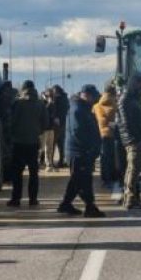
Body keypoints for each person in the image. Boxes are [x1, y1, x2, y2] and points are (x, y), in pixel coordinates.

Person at [58, 84, 106, 217]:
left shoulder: (82, 108)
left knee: (78, 180)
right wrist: (89, 148)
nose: (95, 99)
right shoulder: (78, 110)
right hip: (79, 151)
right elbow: (78, 132)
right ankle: (90, 207)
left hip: (80, 151)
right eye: (93, 96)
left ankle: (66, 204)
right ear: (86, 95)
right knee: (83, 181)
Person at [8, 79, 48, 207]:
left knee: (17, 173)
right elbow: (45, 123)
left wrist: (13, 134)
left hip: (18, 143)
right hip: (33, 142)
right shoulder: (40, 104)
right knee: (33, 173)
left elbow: (12, 122)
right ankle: (33, 199)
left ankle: (16, 199)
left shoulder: (17, 103)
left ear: (23, 90)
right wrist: (36, 131)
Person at [116, 72, 141, 209]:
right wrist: (136, 137)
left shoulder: (132, 98)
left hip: (134, 138)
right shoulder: (126, 99)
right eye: (140, 83)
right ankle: (129, 198)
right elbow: (126, 122)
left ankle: (131, 197)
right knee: (133, 170)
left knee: (133, 169)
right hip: (132, 140)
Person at [94, 82, 120, 192]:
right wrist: (114, 125)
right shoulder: (116, 104)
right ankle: (113, 176)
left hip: (102, 134)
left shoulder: (97, 106)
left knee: (104, 158)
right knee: (114, 157)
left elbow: (100, 121)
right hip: (114, 133)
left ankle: (106, 179)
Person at [51, 84, 70, 168]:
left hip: (56, 125)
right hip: (64, 123)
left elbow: (54, 110)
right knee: (61, 144)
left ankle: (51, 162)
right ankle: (61, 161)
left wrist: (55, 117)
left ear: (56, 91)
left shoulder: (56, 99)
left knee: (53, 144)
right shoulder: (66, 98)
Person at [40, 87, 58, 169]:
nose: (51, 96)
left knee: (50, 147)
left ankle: (49, 163)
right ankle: (39, 162)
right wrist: (49, 103)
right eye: (49, 94)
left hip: (51, 127)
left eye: (52, 94)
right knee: (41, 147)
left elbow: (53, 113)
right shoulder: (41, 102)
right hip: (44, 129)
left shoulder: (52, 103)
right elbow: (43, 113)